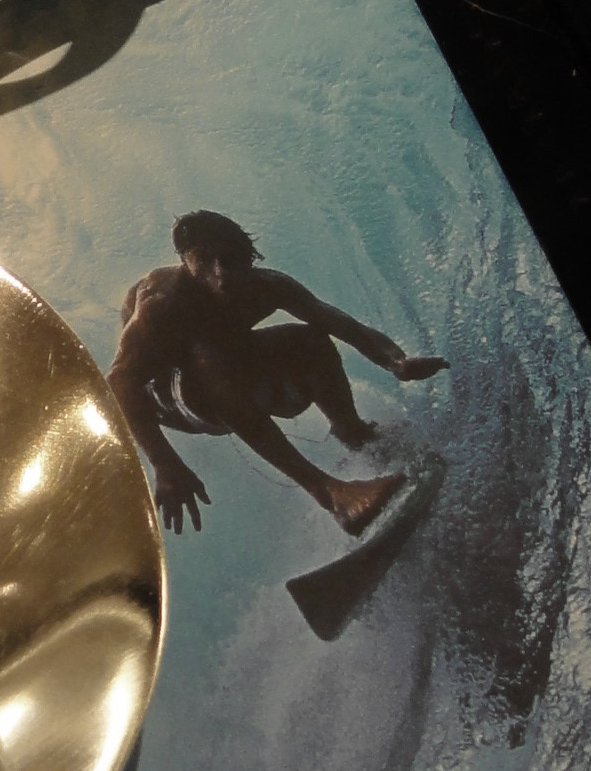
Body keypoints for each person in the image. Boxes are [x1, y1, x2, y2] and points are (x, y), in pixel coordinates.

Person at [108, 210, 448, 537]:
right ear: (186, 260)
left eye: (230, 260)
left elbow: (339, 323)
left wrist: (395, 362)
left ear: (249, 259)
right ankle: (332, 495)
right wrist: (164, 463)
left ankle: (354, 433)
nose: (220, 273)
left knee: (311, 340)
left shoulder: (266, 286)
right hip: (174, 399)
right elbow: (119, 383)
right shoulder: (162, 303)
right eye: (205, 261)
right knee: (209, 358)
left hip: (232, 370)